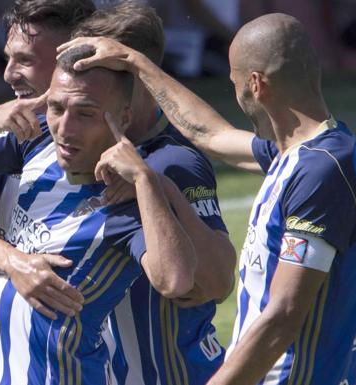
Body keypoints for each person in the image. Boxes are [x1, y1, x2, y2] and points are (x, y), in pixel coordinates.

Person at [59, 11, 356, 385]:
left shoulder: (321, 171)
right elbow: (209, 134)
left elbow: (284, 313)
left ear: (256, 84)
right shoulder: (306, 154)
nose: (237, 93)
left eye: (235, 83)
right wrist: (134, 61)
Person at [71, 3, 236, 385]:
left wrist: (153, 186)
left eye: (98, 73)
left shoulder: (172, 161)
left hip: (173, 374)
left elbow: (217, 282)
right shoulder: (81, 149)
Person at [0, 1, 96, 383]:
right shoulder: (6, 133)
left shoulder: (129, 145)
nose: (9, 74)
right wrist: (16, 262)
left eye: (25, 60)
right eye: (8, 58)